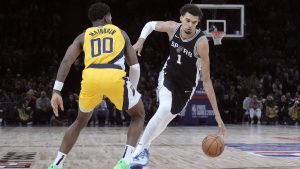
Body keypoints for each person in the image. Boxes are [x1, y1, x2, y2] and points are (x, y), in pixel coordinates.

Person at [48, 2, 145, 169]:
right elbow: (135, 67)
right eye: (111, 16)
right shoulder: (120, 32)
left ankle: (57, 164)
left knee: (79, 122)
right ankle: (125, 161)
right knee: (138, 115)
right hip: (114, 76)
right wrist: (132, 88)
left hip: (91, 78)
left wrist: (56, 91)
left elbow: (66, 61)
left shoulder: (83, 36)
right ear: (107, 17)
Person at [130, 4, 227, 167]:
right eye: (187, 20)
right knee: (164, 107)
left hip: (187, 86)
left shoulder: (201, 43)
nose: (190, 25)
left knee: (165, 121)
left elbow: (207, 80)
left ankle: (145, 147)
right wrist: (140, 41)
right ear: (181, 18)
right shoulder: (172, 28)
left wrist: (217, 116)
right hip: (169, 75)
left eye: (194, 22)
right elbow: (150, 25)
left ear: (197, 23)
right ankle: (137, 152)